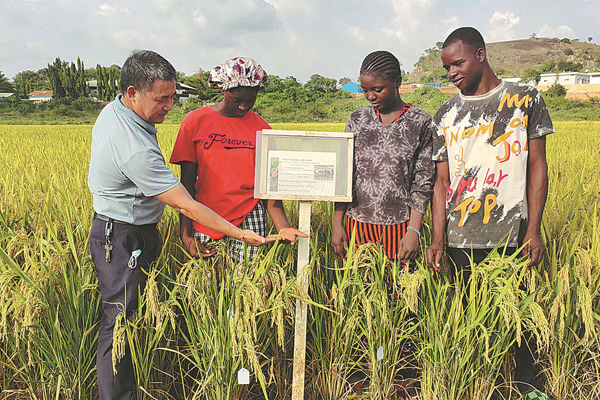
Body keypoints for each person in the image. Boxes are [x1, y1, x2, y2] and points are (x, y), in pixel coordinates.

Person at [88, 50, 273, 400]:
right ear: (132, 92)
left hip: (133, 231)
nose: (170, 106)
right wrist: (236, 233)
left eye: (173, 96)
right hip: (122, 237)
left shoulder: (119, 112)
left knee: (131, 318)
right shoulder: (134, 148)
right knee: (121, 324)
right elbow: (185, 200)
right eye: (162, 98)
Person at [425, 27, 554, 398]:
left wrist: (533, 230)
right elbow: (440, 182)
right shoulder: (446, 113)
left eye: (458, 63)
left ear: (480, 55)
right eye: (446, 67)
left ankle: (527, 386)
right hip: (460, 237)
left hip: (512, 233)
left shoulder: (524, 99)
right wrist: (437, 238)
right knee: (468, 317)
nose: (451, 73)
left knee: (518, 318)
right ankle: (481, 386)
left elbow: (538, 167)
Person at [170, 57, 306, 262]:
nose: (243, 107)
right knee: (206, 283)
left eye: (250, 101)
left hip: (249, 215)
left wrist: (283, 227)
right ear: (224, 90)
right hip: (205, 214)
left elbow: (270, 188)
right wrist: (186, 234)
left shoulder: (263, 129)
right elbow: (187, 183)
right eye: (237, 101)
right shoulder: (195, 122)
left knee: (248, 280)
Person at [331, 50, 434, 265]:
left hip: (401, 229)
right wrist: (337, 224)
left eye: (378, 89)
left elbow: (422, 182)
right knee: (360, 293)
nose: (370, 96)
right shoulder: (357, 120)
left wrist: (414, 230)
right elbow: (344, 175)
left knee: (399, 293)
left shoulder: (420, 122)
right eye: (365, 90)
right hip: (356, 226)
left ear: (397, 82)